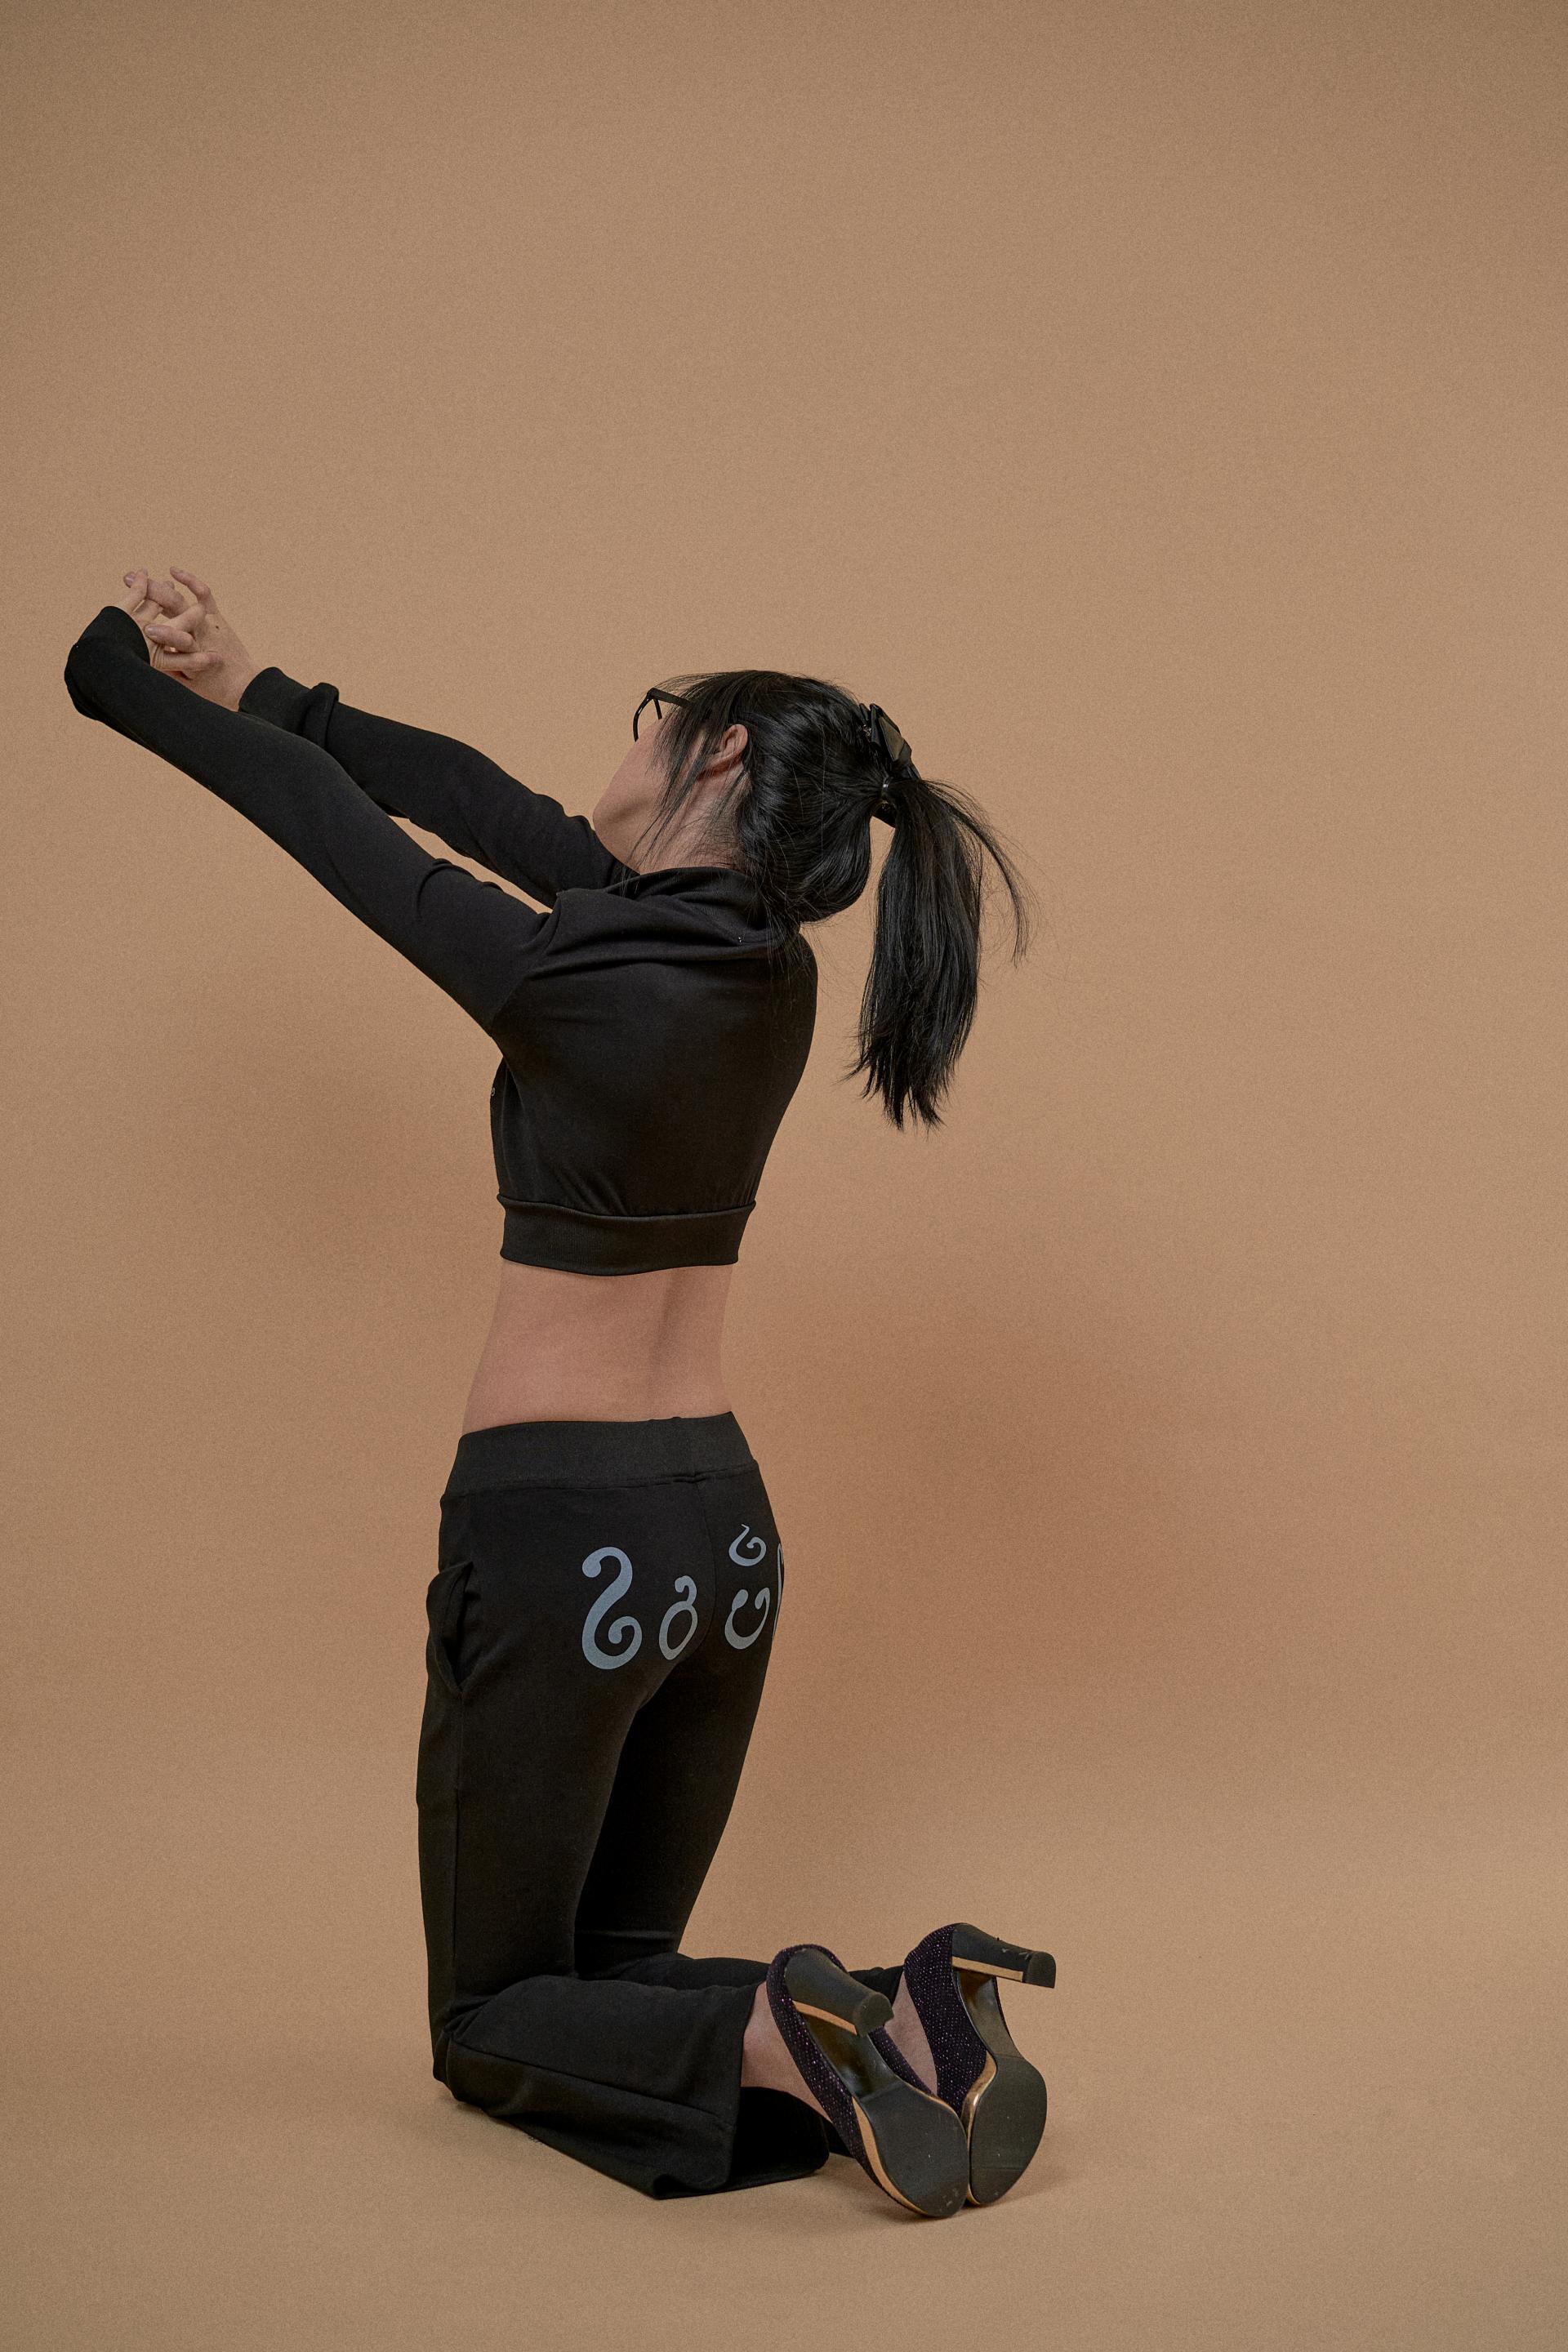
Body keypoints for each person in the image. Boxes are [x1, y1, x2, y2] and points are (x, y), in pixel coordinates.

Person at [63, 565, 1056, 2218]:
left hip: (558, 1536)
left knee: (490, 2022)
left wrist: (117, 677)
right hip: (726, 1548)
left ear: (719, 755)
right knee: (616, 1967)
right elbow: (492, 811)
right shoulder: (769, 975)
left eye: (656, 718)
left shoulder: (569, 976)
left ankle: (786, 2036)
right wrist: (261, 686)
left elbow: (340, 834)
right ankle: (901, 2016)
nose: (627, 740)